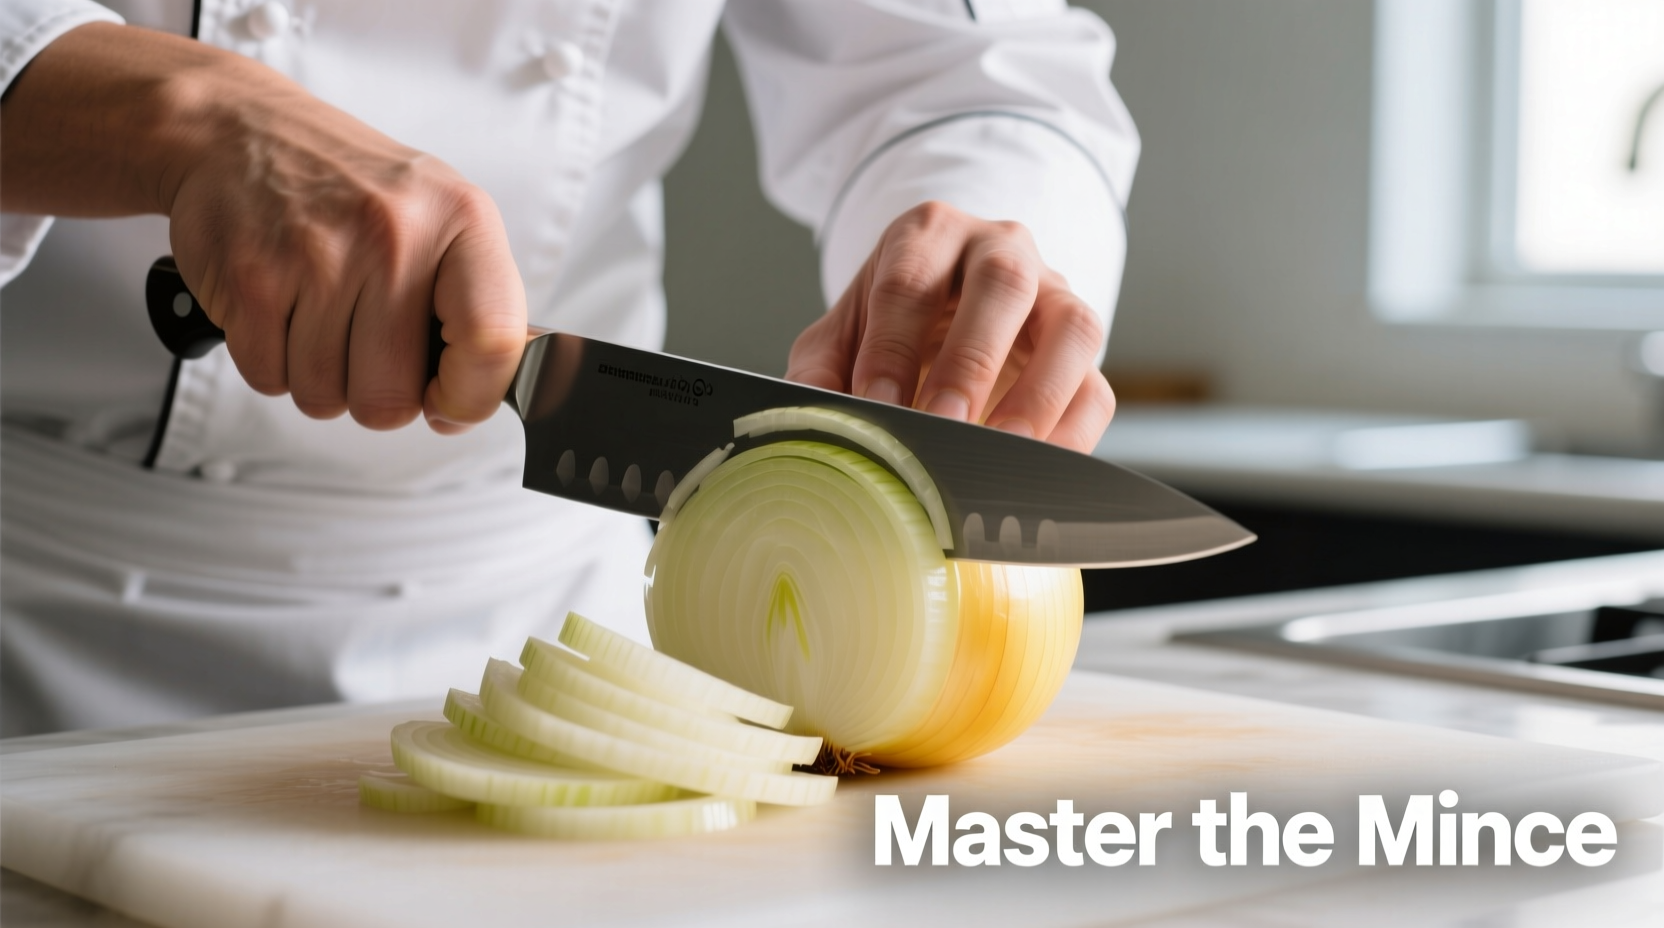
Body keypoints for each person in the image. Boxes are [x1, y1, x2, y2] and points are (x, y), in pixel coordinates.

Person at [0, 0, 1137, 736]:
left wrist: (985, 245)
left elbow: (961, 60)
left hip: (545, 638)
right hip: (29, 597)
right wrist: (175, 109)